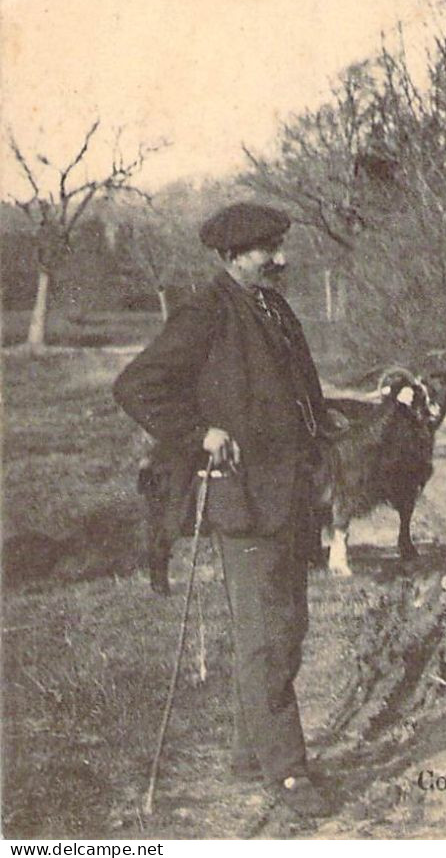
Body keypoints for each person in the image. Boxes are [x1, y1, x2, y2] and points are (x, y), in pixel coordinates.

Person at [113, 202, 338, 819]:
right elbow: (136, 385)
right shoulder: (207, 311)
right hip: (244, 500)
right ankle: (287, 773)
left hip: (289, 498)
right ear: (233, 255)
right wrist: (199, 433)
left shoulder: (274, 307)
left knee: (285, 628)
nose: (282, 259)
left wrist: (326, 427)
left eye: (280, 246)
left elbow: (298, 395)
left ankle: (250, 752)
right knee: (267, 636)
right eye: (269, 249)